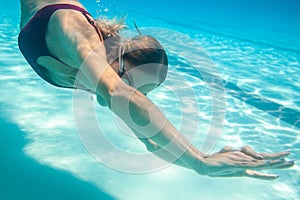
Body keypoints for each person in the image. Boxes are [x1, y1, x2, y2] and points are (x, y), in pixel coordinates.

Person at [18, 0, 294, 180]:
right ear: (119, 61)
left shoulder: (108, 71)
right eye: (130, 86)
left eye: (141, 94)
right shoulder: (81, 36)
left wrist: (206, 165)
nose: (130, 98)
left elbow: (149, 139)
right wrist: (198, 159)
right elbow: (119, 94)